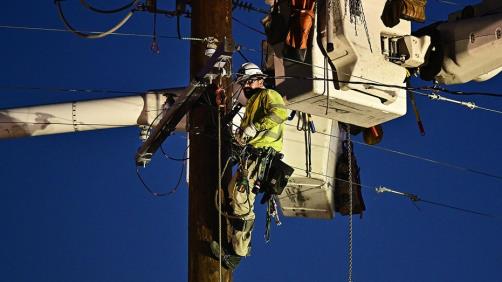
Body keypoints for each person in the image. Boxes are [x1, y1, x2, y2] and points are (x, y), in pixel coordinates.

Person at [211, 62, 288, 270]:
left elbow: (280, 114)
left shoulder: (268, 95)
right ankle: (230, 241)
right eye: (243, 83)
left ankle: (237, 252)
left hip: (261, 158)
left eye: (248, 82)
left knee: (240, 199)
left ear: (259, 81)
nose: (245, 87)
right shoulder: (250, 107)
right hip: (250, 158)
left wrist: (254, 127)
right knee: (231, 194)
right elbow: (247, 136)